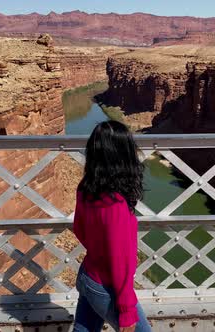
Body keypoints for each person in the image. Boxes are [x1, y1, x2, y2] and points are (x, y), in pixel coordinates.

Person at [72, 121, 152, 332]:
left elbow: (79, 229)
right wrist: (126, 310)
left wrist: (98, 249)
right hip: (104, 287)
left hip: (87, 274)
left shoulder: (86, 187)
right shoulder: (115, 204)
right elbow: (121, 261)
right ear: (122, 155)